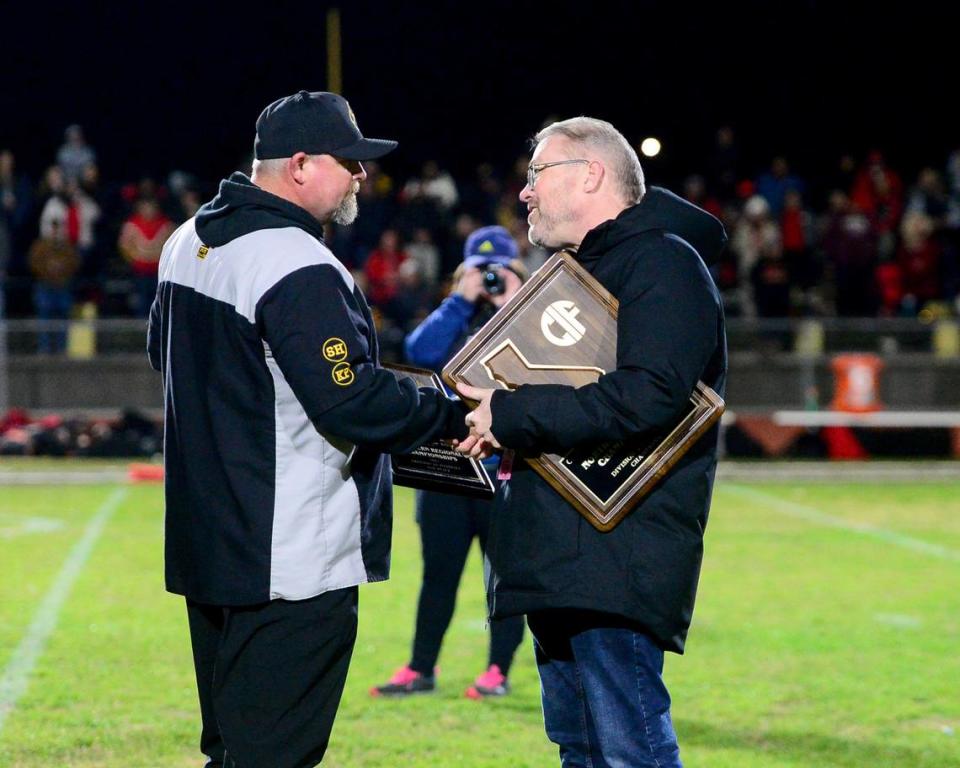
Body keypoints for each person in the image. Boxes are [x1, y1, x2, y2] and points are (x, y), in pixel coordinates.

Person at [147, 90, 468, 768]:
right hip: (287, 557)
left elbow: (162, 357)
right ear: (299, 164)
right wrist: (451, 409)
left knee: (231, 750)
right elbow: (352, 402)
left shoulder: (188, 239)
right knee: (273, 757)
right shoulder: (294, 261)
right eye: (348, 161)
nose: (360, 176)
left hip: (210, 545)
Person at [456, 117, 728, 767]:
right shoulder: (579, 270)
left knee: (627, 748)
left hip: (615, 551)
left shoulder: (663, 260)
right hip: (559, 551)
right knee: (580, 749)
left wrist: (514, 414)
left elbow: (650, 395)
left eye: (536, 175)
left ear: (592, 174)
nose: (524, 193)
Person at [372, 226, 527, 700]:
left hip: (506, 468)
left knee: (505, 577)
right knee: (438, 575)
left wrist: (513, 309)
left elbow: (534, 363)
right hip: (447, 468)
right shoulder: (453, 312)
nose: (489, 279)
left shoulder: (528, 317)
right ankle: (421, 668)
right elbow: (420, 352)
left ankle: (497, 670)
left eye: (498, 270)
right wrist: (462, 300)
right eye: (479, 271)